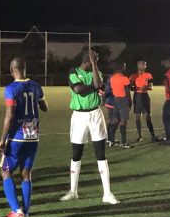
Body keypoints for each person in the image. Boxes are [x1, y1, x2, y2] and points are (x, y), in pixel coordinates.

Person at [60, 50, 119, 204]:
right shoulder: (73, 71)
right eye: (94, 60)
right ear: (87, 60)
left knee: (101, 154)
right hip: (79, 116)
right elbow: (79, 91)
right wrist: (93, 87)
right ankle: (73, 191)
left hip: (95, 115)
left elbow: (98, 84)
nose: (96, 64)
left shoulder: (96, 71)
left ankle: (107, 193)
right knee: (77, 153)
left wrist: (94, 71)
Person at [0, 57, 48, 217]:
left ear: (11, 70)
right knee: (26, 174)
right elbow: (44, 107)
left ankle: (15, 210)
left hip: (17, 136)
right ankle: (25, 214)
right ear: (25, 69)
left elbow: (10, 115)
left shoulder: (11, 88)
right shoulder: (36, 85)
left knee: (5, 171)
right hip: (33, 135)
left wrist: (3, 139)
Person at [130, 59, 158, 142]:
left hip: (145, 96)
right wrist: (136, 88)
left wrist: (145, 87)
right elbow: (130, 87)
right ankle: (139, 136)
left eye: (145, 65)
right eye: (142, 64)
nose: (144, 66)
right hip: (137, 96)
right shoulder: (133, 76)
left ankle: (153, 136)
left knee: (148, 117)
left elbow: (151, 87)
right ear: (138, 65)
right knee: (138, 117)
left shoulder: (148, 75)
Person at [106, 61, 132, 148]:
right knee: (123, 122)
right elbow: (127, 91)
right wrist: (130, 102)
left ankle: (111, 141)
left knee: (116, 120)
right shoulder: (125, 78)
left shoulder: (112, 78)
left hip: (115, 100)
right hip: (123, 100)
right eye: (124, 66)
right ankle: (124, 142)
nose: (125, 68)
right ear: (121, 67)